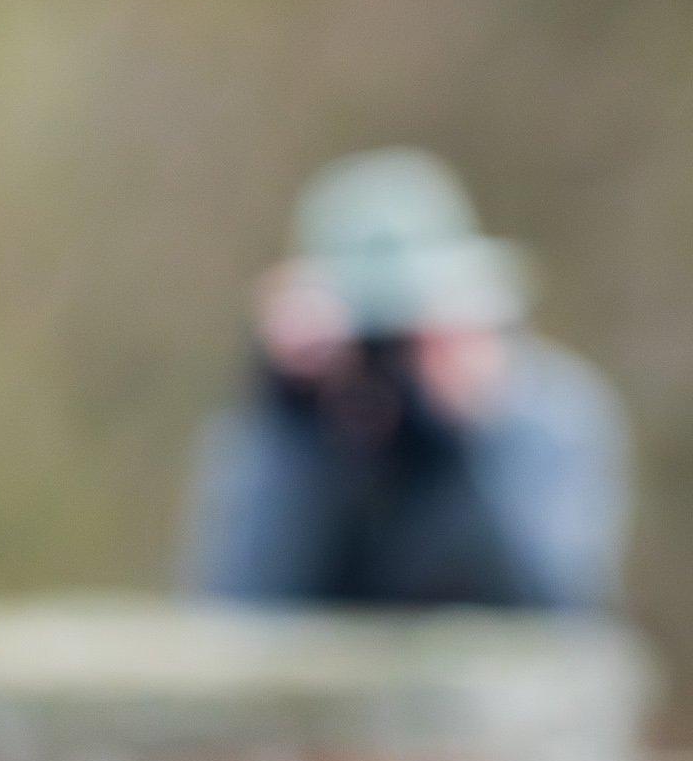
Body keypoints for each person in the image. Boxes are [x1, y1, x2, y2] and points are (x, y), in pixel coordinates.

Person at [184, 147, 629, 612]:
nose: (390, 361)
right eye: (373, 338)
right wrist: (291, 419)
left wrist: (456, 441)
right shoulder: (295, 427)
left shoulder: (548, 412)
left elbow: (556, 610)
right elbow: (238, 615)